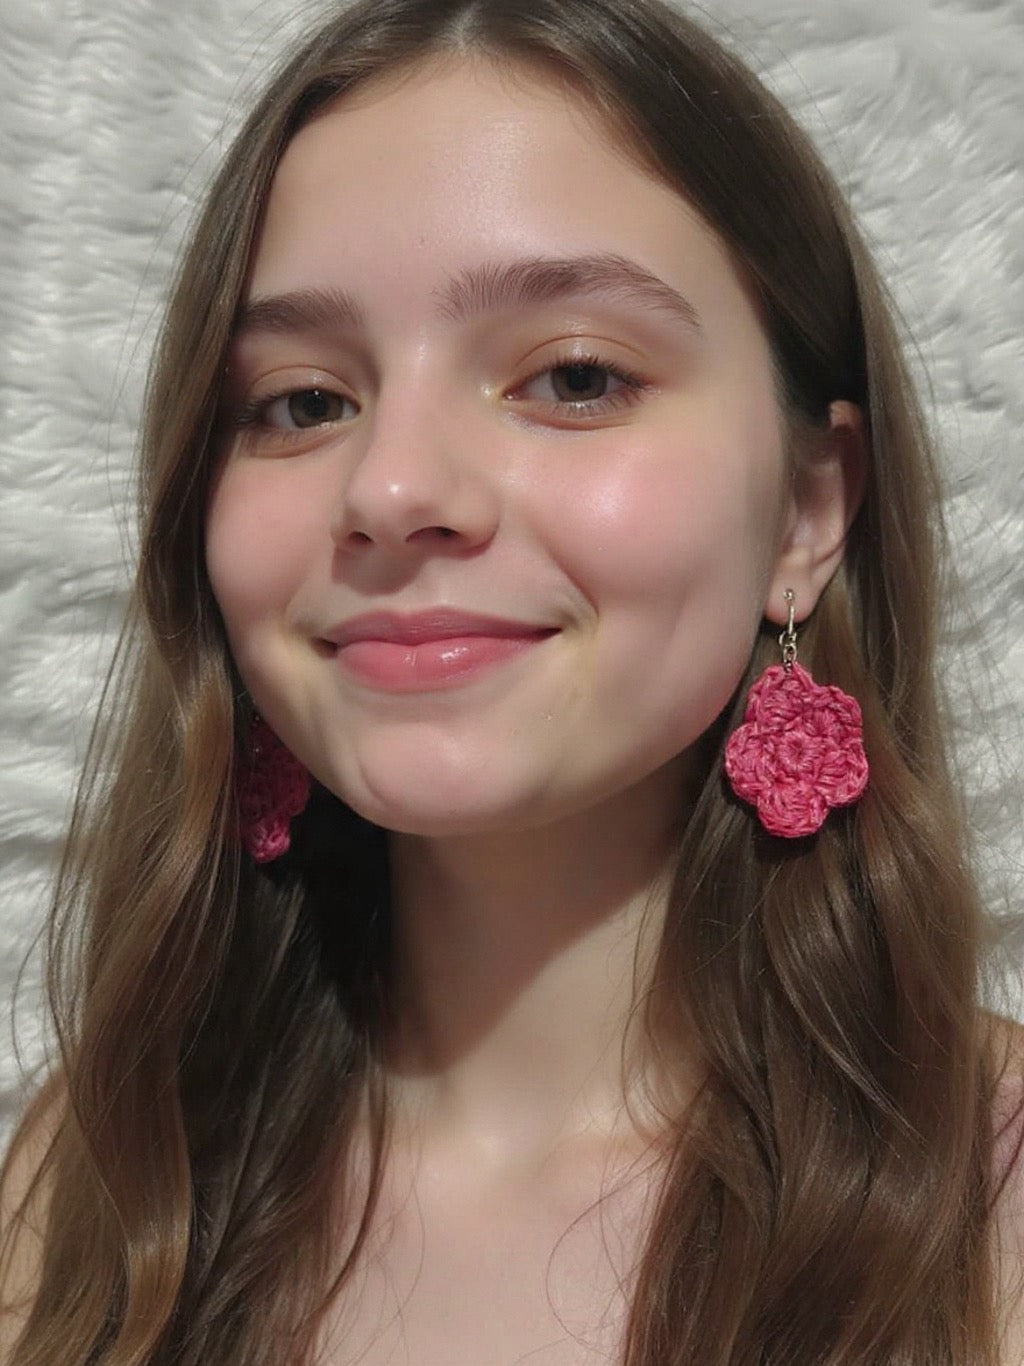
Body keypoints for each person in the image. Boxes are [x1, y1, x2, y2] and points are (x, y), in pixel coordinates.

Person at [1, 0, 1022, 1361]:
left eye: (577, 376)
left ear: (807, 514)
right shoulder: (95, 1171)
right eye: (303, 401)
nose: (394, 485)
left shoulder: (992, 1202)